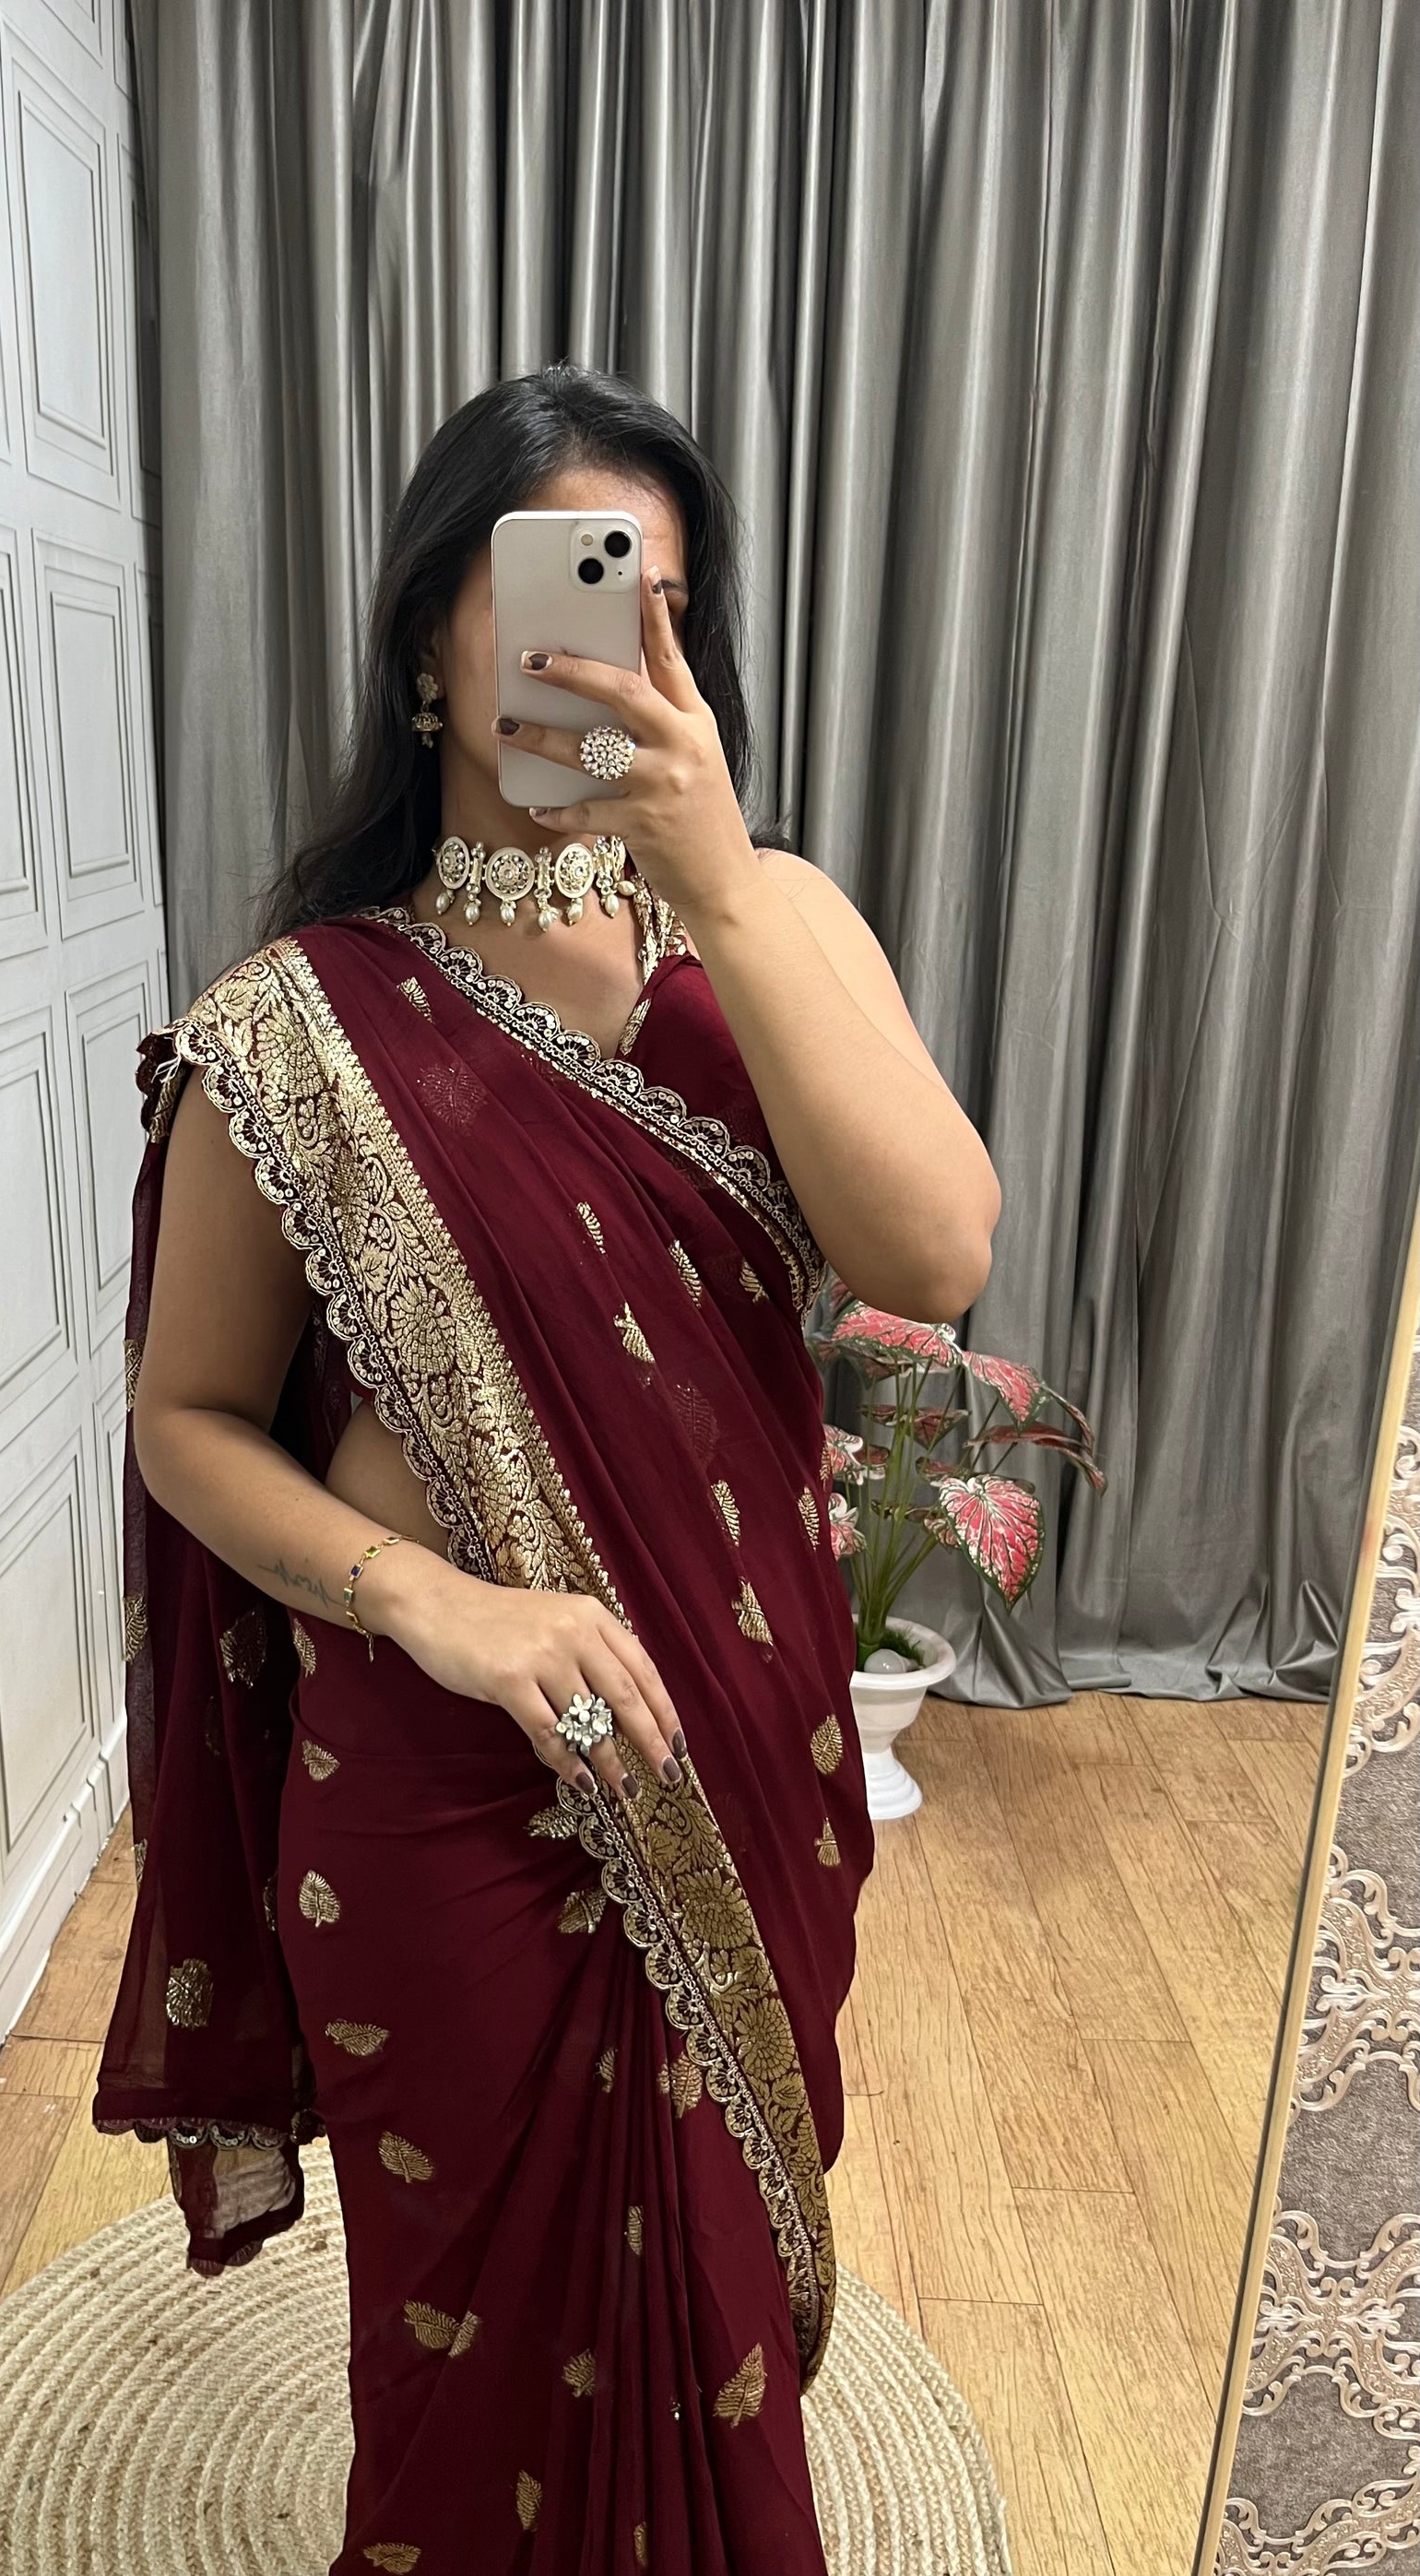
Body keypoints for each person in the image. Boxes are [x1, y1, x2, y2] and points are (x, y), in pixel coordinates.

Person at [94, 361, 1000, 2573]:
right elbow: (185, 1419)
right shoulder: (298, 1022)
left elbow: (935, 1256)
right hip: (433, 1770)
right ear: (431, 640)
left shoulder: (778, 929)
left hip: (727, 1737)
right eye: (574, 592)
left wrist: (721, 882)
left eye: (666, 609)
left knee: (712, 2295)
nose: (623, 655)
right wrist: (434, 1601)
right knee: (463, 2342)